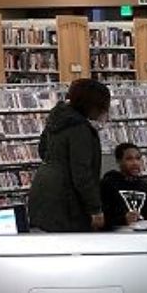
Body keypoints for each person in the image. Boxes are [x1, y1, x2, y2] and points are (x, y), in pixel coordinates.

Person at [28, 78, 111, 233]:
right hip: (66, 201)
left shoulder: (57, 119)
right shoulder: (80, 129)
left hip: (43, 191)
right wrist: (95, 209)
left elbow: (42, 151)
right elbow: (82, 174)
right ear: (92, 104)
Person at [99, 142, 147, 231]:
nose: (135, 163)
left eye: (138, 158)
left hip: (141, 226)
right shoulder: (108, 184)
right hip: (118, 228)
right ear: (119, 161)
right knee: (129, 232)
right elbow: (101, 219)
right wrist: (124, 219)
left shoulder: (144, 186)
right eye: (129, 159)